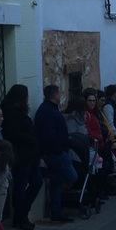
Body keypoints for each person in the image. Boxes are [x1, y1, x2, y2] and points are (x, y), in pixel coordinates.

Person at [1, 84, 42, 230]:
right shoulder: (11, 113)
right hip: (21, 156)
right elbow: (12, 134)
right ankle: (20, 216)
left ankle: (22, 213)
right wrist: (30, 138)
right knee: (21, 186)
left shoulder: (18, 111)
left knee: (36, 182)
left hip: (30, 156)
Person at [35, 85, 78, 222]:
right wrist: (60, 147)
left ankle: (56, 210)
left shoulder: (49, 110)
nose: (61, 96)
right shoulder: (48, 111)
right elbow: (49, 135)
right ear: (54, 95)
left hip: (55, 151)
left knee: (57, 182)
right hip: (55, 153)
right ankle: (56, 209)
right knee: (70, 176)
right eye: (59, 93)